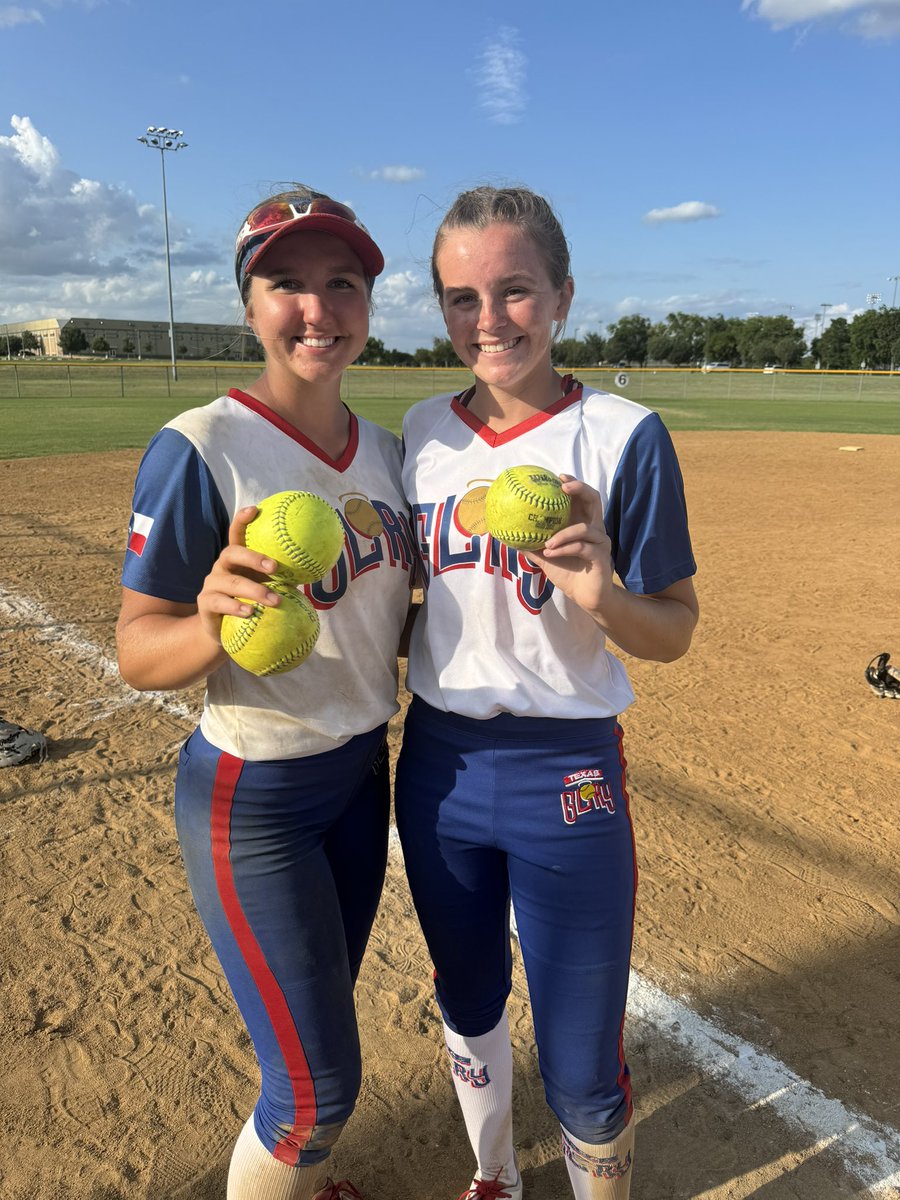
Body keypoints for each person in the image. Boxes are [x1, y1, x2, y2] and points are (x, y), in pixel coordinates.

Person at [395, 186, 699, 1200]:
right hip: (437, 768)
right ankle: (494, 1178)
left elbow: (673, 631)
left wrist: (604, 592)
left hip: (568, 777)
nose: (489, 322)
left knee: (581, 1064)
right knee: (468, 994)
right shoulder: (419, 432)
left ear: (563, 295)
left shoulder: (624, 434)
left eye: (515, 291)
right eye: (461, 298)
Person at [116, 186, 416, 1200]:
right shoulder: (200, 447)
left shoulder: (385, 455)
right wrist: (205, 622)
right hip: (258, 797)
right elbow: (136, 651)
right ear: (249, 305)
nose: (317, 309)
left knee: (315, 1021)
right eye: (286, 283)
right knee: (317, 1092)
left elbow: (394, 622)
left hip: (358, 777)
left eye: (342, 284)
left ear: (369, 308)